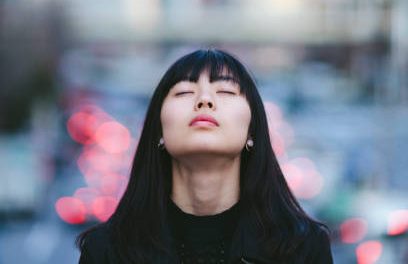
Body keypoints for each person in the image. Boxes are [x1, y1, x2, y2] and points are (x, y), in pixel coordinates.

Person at [77, 48, 333, 263]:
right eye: (184, 92)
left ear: (252, 131)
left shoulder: (303, 249)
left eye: (226, 92)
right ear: (159, 130)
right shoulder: (107, 251)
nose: (205, 100)